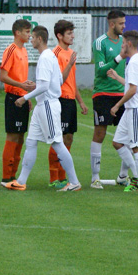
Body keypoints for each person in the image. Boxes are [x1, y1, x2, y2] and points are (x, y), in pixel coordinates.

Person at [3, 26, 81, 192]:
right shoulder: (50, 55)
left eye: (33, 37)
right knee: (31, 142)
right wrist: (36, 86)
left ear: (39, 39)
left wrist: (24, 98)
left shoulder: (45, 57)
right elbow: (57, 81)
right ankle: (21, 181)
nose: (31, 39)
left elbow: (46, 86)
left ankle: (74, 182)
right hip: (42, 106)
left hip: (47, 105)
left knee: (57, 143)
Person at [90, 10, 129, 189]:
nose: (124, 26)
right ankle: (95, 177)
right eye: (121, 23)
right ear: (112, 24)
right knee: (100, 133)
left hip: (122, 94)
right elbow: (100, 70)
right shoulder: (100, 42)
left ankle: (123, 176)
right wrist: (119, 57)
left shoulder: (124, 41)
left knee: (126, 136)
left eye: (124, 23)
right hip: (103, 94)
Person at [48, 19, 87, 189]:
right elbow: (58, 80)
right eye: (69, 33)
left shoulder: (70, 53)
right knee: (58, 138)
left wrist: (81, 101)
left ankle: (63, 175)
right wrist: (69, 64)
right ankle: (54, 177)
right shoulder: (55, 54)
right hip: (60, 99)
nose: (73, 36)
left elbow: (72, 80)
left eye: (72, 33)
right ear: (59, 35)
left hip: (70, 101)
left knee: (69, 137)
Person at [108, 30, 138, 192]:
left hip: (136, 109)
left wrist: (117, 105)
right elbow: (131, 84)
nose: (122, 46)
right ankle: (134, 176)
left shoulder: (134, 62)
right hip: (131, 109)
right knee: (117, 142)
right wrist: (117, 77)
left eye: (123, 43)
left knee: (136, 146)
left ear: (129, 44)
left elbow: (132, 90)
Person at [0, 19, 34, 185]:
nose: (29, 35)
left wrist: (27, 95)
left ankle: (13, 176)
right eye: (27, 32)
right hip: (13, 98)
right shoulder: (11, 50)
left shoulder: (24, 51)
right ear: (18, 33)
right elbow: (3, 76)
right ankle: (6, 177)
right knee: (13, 134)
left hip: (22, 98)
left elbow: (22, 78)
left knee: (20, 136)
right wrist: (20, 87)